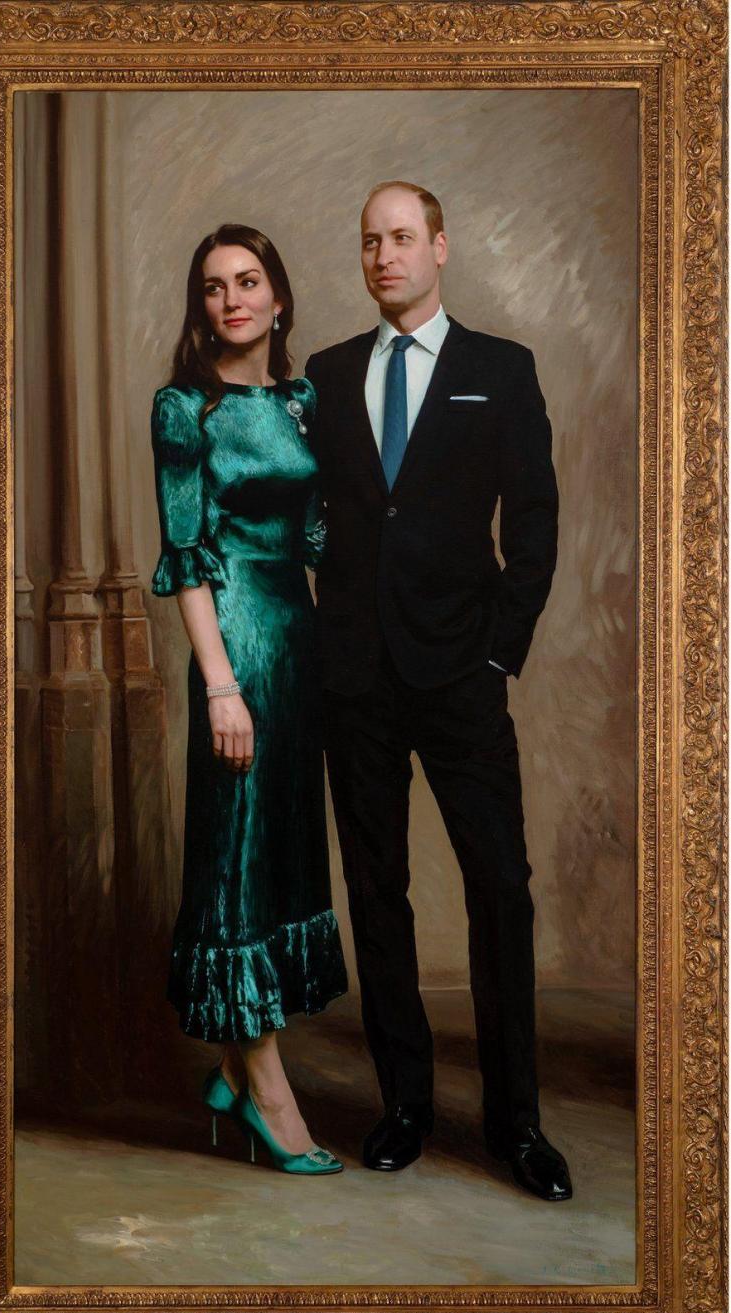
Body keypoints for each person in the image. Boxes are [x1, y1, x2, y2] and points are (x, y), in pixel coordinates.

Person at [305, 181, 573, 1200]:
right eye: (369, 240)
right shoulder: (328, 374)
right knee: (376, 891)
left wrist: (499, 653)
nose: (384, 255)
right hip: (357, 682)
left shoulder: (498, 369)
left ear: (440, 248)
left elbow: (533, 520)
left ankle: (516, 1124)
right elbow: (310, 515)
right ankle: (404, 1105)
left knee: (499, 888)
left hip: (460, 674)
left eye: (402, 237)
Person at [150, 223, 347, 1175]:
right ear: (203, 306)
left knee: (275, 855)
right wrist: (220, 683)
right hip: (235, 643)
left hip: (297, 643)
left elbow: (317, 536)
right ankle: (271, 1097)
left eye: (247, 281)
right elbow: (186, 557)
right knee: (232, 861)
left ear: (277, 297)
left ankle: (233, 1074)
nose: (230, 299)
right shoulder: (184, 408)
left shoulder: (301, 402)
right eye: (213, 286)